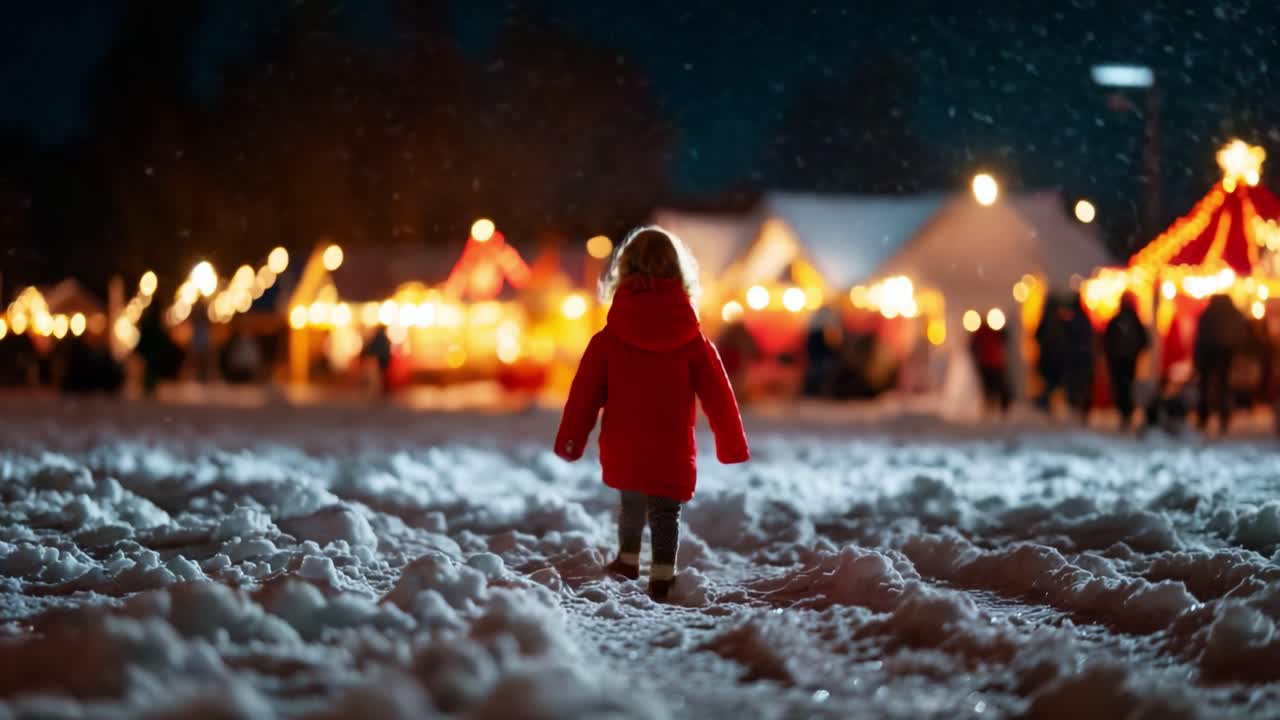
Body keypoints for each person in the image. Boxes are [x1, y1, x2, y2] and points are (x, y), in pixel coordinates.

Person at [554, 226, 749, 601]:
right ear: (679, 272)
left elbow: (584, 396)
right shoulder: (694, 342)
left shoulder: (607, 341)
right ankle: (662, 572)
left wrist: (572, 441)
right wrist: (732, 444)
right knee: (665, 514)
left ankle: (627, 559)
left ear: (623, 271)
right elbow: (720, 397)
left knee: (630, 504)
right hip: (671, 445)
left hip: (625, 443)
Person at [1194, 293, 1249, 433]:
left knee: (1205, 387)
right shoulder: (1233, 313)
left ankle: (1204, 418)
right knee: (1223, 387)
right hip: (1226, 355)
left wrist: (1198, 359)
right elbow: (1242, 333)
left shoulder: (1208, 314)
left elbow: (1200, 338)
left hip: (1208, 356)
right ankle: (1223, 418)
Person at [1102, 293, 1149, 428]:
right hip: (1129, 361)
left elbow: (1107, 341)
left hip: (1117, 361)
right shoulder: (1135, 320)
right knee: (1127, 386)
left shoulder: (1116, 319)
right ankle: (1126, 413)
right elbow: (1144, 340)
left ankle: (1124, 413)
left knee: (1120, 387)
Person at [969, 317, 1011, 414]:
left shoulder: (979, 334)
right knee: (999, 386)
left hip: (986, 364)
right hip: (995, 364)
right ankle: (998, 409)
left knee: (989, 388)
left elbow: (972, 347)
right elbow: (1005, 338)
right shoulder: (991, 332)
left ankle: (990, 408)